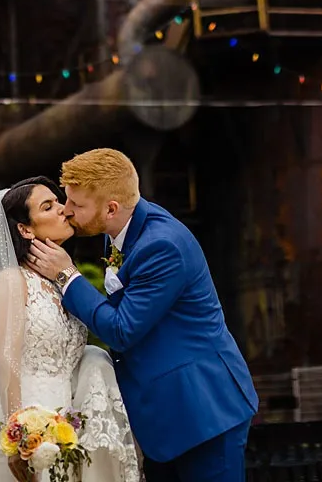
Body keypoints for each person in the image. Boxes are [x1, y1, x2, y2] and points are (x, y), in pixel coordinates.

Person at [25, 149, 259, 482]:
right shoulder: (121, 231)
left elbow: (122, 330)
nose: (67, 209)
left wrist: (68, 276)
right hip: (162, 414)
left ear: (111, 209)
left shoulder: (162, 246)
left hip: (203, 411)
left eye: (76, 204)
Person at [0, 177, 141, 482]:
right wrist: (19, 434)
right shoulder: (12, 281)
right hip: (27, 422)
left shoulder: (58, 283)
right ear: (25, 229)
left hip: (66, 422)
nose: (64, 209)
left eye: (58, 201)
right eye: (48, 206)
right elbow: (7, 362)